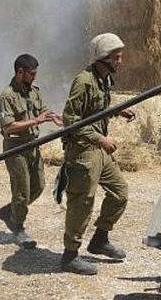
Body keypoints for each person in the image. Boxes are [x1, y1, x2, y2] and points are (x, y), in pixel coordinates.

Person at [59, 33, 136, 275]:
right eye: (117, 57)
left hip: (100, 150)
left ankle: (100, 239)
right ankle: (70, 256)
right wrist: (100, 138)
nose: (120, 61)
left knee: (120, 192)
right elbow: (70, 119)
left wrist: (117, 111)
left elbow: (96, 111)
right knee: (82, 202)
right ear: (104, 58)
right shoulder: (84, 81)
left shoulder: (105, 80)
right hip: (83, 151)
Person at [0, 54, 62, 248]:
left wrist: (55, 118)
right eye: (31, 73)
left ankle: (10, 211)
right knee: (22, 190)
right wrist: (36, 121)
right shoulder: (7, 97)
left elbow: (43, 111)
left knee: (39, 185)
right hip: (15, 148)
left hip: (32, 145)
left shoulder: (35, 92)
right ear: (20, 72)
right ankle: (18, 228)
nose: (35, 77)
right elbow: (8, 127)